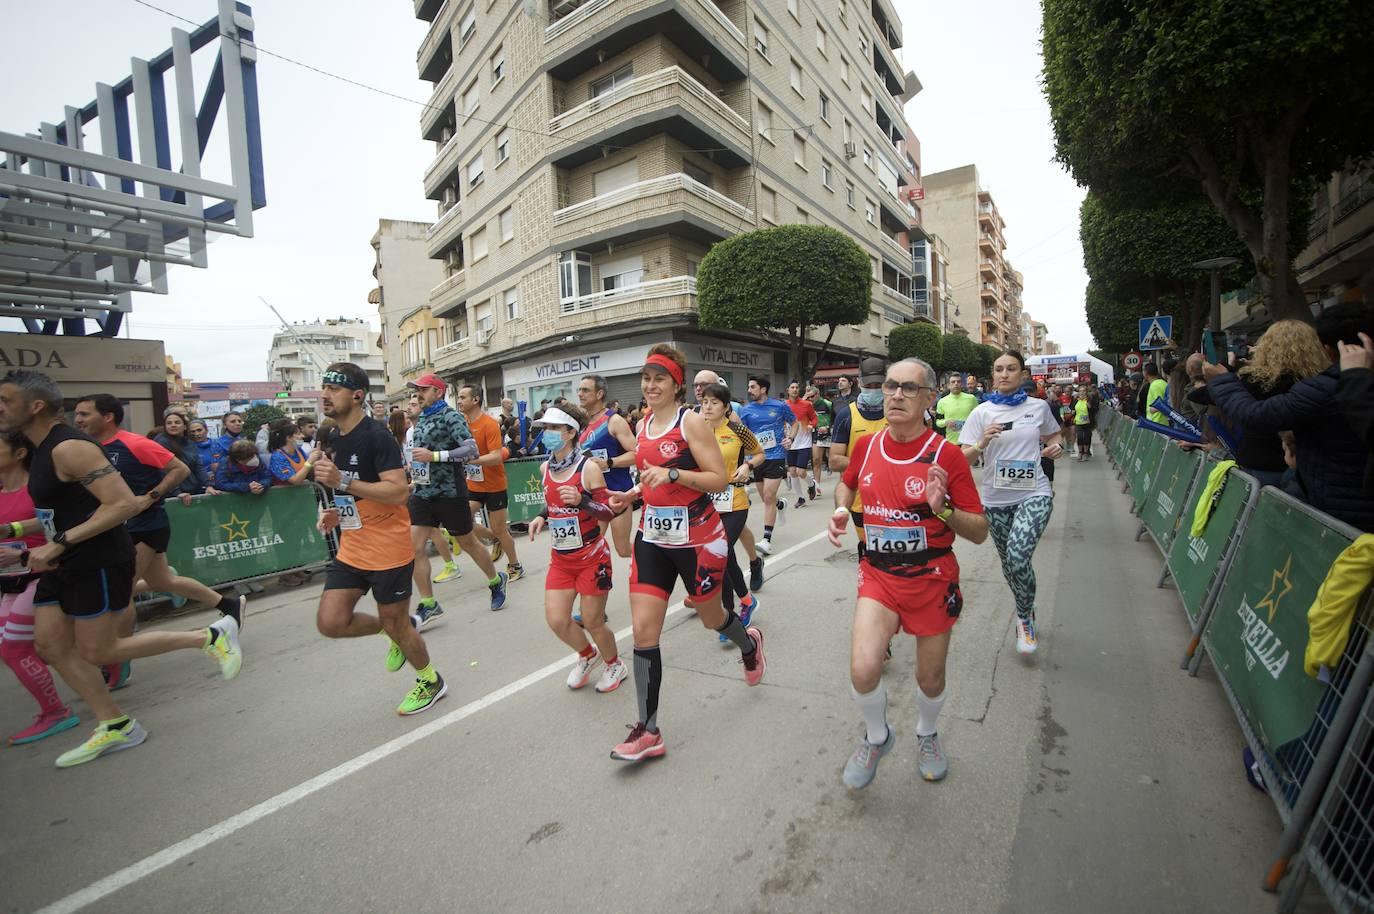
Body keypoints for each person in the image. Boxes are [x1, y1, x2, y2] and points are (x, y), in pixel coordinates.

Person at [0, 371, 242, 767]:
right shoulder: (41, 448)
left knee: (100, 649)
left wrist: (58, 543)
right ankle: (114, 723)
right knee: (50, 646)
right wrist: (13, 530)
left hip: (95, 558)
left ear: (36, 405)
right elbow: (57, 513)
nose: (1, 408)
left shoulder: (69, 449)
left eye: (7, 400)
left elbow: (123, 505)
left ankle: (209, 636)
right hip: (63, 559)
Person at [826, 357, 987, 789]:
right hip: (878, 575)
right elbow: (850, 482)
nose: (895, 394)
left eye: (908, 388)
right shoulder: (869, 445)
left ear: (930, 398)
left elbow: (979, 531)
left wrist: (944, 509)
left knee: (929, 678)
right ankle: (878, 737)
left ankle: (927, 733)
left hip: (932, 577)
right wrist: (842, 507)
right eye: (891, 386)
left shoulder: (946, 456)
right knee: (863, 668)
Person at [604, 344, 765, 762]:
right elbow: (651, 477)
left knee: (714, 619)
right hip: (654, 537)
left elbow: (718, 479)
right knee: (643, 632)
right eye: (646, 378)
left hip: (698, 537)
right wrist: (633, 495)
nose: (650, 385)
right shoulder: (642, 425)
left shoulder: (690, 421)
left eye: (659, 378)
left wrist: (674, 472)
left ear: (677, 385)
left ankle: (747, 645)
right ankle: (648, 729)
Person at [74, 393, 248, 689]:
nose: (77, 420)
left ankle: (116, 658)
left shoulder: (135, 443)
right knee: (162, 580)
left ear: (107, 417)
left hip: (145, 525)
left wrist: (151, 497)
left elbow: (179, 469)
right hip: (121, 527)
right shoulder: (89, 448)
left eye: (84, 414)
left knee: (122, 591)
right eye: (76, 414)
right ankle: (228, 604)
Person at [311, 362, 446, 715]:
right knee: (331, 622)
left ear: (357, 396)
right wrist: (336, 510)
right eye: (324, 387)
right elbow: (356, 490)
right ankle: (394, 631)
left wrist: (342, 482)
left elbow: (398, 491)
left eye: (334, 389)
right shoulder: (333, 437)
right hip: (354, 544)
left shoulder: (376, 436)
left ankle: (431, 680)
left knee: (395, 622)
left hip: (389, 548)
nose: (325, 394)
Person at [1205, 305, 1374, 531]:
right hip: (1322, 493)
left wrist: (1223, 379)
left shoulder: (1322, 389)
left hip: (1336, 512)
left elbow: (1254, 415)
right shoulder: (1319, 384)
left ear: (1328, 350)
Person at [960, 352, 1065, 656]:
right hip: (995, 500)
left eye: (1011, 369)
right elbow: (963, 459)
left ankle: (1023, 619)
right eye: (998, 369)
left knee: (1018, 557)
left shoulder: (1039, 407)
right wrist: (981, 443)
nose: (1004, 374)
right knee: (1010, 567)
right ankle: (1026, 610)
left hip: (1034, 493)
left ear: (1022, 374)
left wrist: (1055, 446)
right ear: (992, 375)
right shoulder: (981, 412)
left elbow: (1054, 435)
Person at [526, 404, 627, 694]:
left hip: (592, 559)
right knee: (557, 620)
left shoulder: (588, 468)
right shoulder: (545, 467)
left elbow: (607, 512)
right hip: (561, 560)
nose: (548, 434)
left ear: (571, 432)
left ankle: (614, 664)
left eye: (554, 428)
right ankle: (587, 655)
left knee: (593, 621)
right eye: (545, 429)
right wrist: (541, 516)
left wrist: (582, 501)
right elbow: (553, 500)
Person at [406, 374, 508, 620]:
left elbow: (470, 449)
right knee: (413, 548)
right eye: (416, 390)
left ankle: (495, 580)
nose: (418, 394)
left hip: (449, 492)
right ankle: (429, 602)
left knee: (468, 543)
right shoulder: (421, 419)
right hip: (422, 493)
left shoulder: (450, 416)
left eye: (424, 389)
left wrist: (435, 456)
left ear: (438, 392)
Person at [0, 431, 79, 745]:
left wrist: (20, 553)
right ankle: (104, 654)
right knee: (35, 649)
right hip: (9, 584)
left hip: (41, 577)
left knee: (14, 649)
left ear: (20, 453)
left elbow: (59, 529)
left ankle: (55, 712)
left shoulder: (38, 489)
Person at [699, 382, 763, 642]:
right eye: (704, 402)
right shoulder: (697, 432)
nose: (708, 406)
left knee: (720, 554)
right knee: (722, 558)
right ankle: (745, 601)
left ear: (726, 407)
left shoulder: (737, 429)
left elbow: (759, 453)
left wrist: (748, 465)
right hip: (707, 504)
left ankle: (733, 615)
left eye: (714, 402)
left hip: (734, 501)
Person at [458, 385, 524, 581]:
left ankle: (515, 566)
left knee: (500, 528)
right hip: (473, 485)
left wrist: (471, 460)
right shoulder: (461, 424)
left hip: (495, 485)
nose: (459, 401)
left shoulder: (489, 424)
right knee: (461, 520)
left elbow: (496, 457)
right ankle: (494, 539)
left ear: (476, 400)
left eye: (463, 397)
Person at [828, 357, 889, 559]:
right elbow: (835, 460)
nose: (873, 389)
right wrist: (872, 463)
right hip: (860, 500)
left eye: (878, 385)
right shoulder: (846, 415)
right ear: (860, 382)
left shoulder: (897, 412)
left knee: (891, 554)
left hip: (895, 499)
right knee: (870, 549)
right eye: (869, 384)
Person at [577, 373, 639, 559]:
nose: (580, 394)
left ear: (599, 394)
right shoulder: (581, 425)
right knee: (589, 548)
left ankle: (656, 558)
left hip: (618, 494)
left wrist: (610, 462)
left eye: (585, 390)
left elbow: (638, 453)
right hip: (594, 498)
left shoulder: (614, 421)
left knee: (623, 550)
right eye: (579, 390)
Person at [736, 376, 796, 555]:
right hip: (756, 457)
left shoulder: (780, 406)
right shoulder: (746, 410)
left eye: (753, 387)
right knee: (766, 498)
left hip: (776, 455)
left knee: (768, 496)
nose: (749, 390)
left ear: (763, 389)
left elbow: (794, 423)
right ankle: (780, 504)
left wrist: (790, 438)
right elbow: (742, 434)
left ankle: (766, 540)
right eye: (749, 387)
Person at [155, 411, 207, 497]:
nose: (173, 425)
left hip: (195, 490)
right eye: (169, 423)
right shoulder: (161, 442)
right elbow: (164, 471)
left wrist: (208, 485)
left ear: (185, 426)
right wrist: (177, 492)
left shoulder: (190, 443)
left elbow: (198, 466)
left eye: (177, 422)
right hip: (173, 494)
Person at [784, 380, 818, 506]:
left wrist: (811, 425)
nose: (795, 389)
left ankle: (811, 484)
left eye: (797, 387)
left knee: (801, 472)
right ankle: (800, 498)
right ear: (788, 390)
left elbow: (814, 418)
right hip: (790, 442)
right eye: (792, 387)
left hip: (804, 442)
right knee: (792, 471)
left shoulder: (806, 404)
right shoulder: (783, 405)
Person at [935, 373, 979, 446]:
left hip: (969, 442)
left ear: (962, 384)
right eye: (953, 382)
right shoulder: (942, 402)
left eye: (958, 382)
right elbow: (938, 422)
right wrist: (946, 422)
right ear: (948, 385)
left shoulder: (971, 398)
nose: (956, 384)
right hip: (951, 442)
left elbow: (978, 418)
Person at [808, 385, 832, 491]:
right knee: (816, 459)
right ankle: (816, 487)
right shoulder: (807, 405)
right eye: (808, 397)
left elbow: (836, 417)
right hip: (815, 433)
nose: (810, 399)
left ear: (817, 394)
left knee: (831, 459)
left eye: (812, 396)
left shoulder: (827, 404)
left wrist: (828, 427)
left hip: (828, 433)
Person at [1073, 386, 1093, 459]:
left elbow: (1092, 409)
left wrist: (1088, 403)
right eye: (1080, 391)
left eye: (1084, 391)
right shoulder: (1075, 400)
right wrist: (1073, 412)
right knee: (1080, 437)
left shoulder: (1089, 399)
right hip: (1078, 422)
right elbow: (1072, 408)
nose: (1082, 392)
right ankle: (1080, 452)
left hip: (1087, 422)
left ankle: (1086, 452)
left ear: (1086, 392)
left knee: (1087, 437)